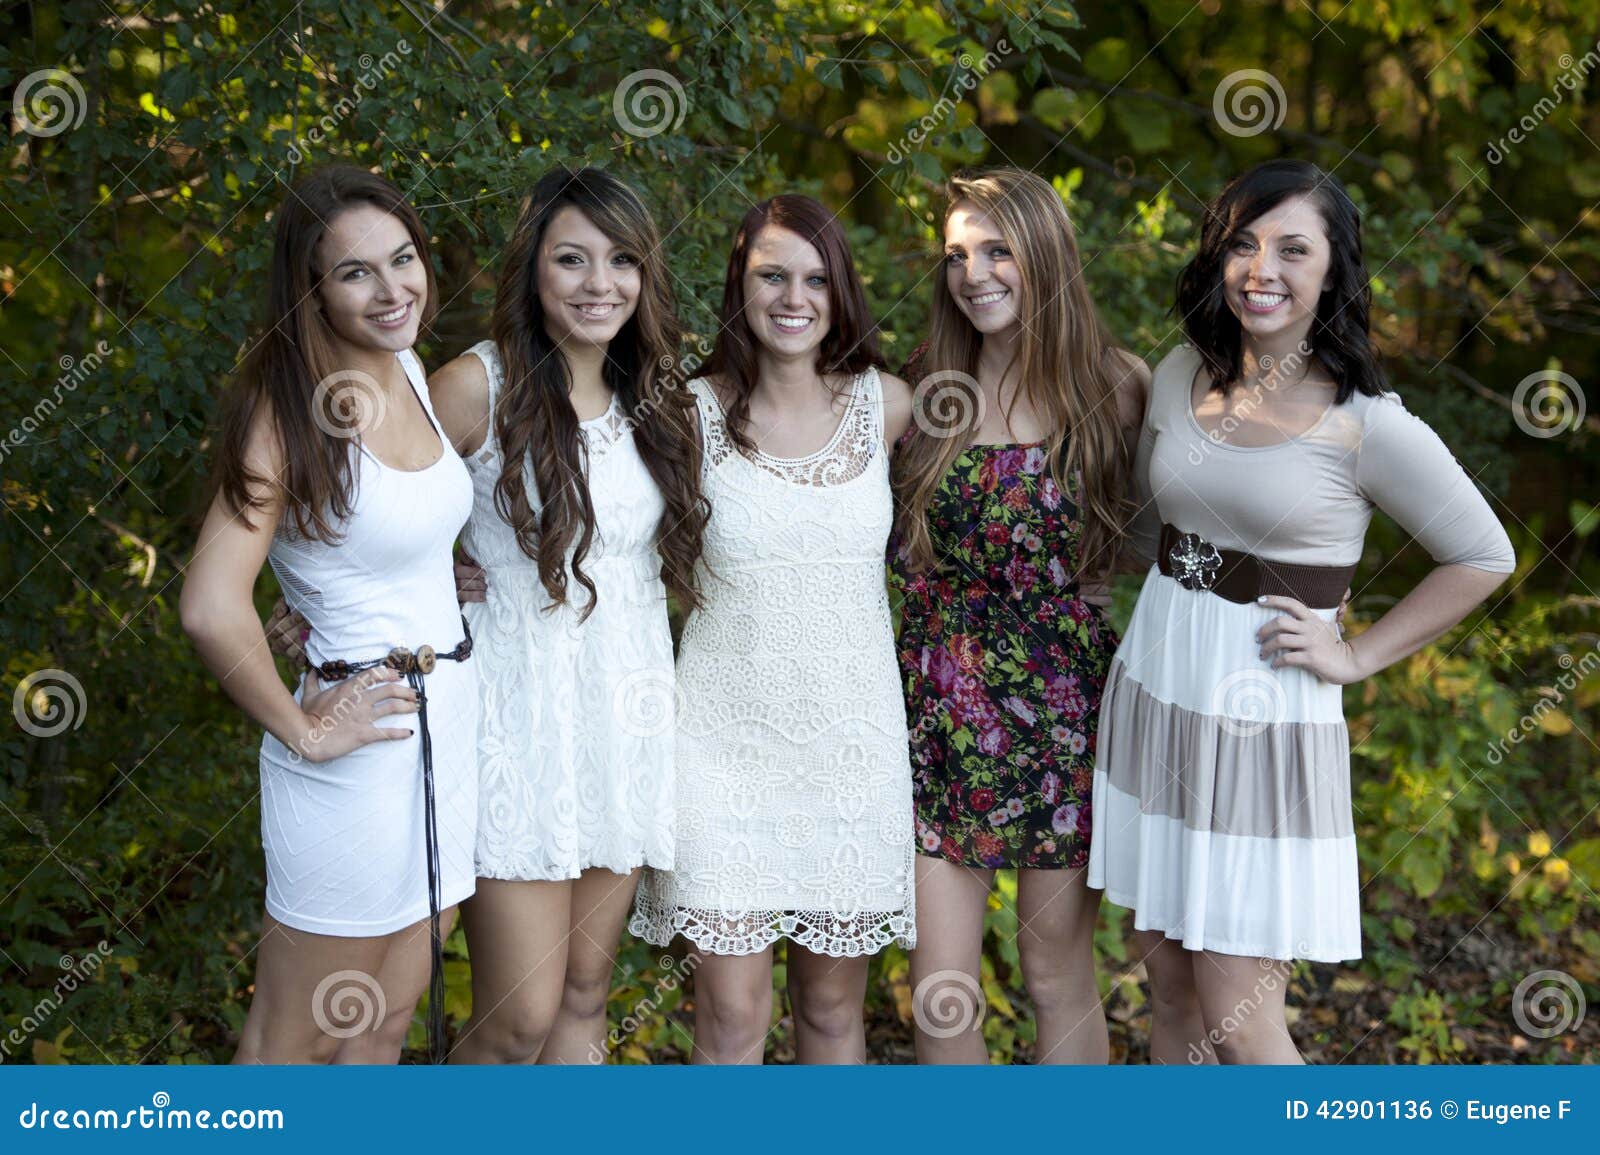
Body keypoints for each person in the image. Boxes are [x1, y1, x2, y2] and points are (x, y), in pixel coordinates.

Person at [1090, 159, 1515, 1064]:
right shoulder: (1176, 373)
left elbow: (1484, 555)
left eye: (1293, 247)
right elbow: (1148, 525)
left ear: (1335, 270)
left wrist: (1356, 654)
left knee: (1236, 1013)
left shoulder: (1368, 424)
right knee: (1166, 982)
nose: (1262, 268)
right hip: (1160, 689)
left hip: (1260, 720)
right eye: (1244, 243)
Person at [182, 166, 477, 1064]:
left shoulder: (414, 370)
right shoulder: (283, 415)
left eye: (405, 259)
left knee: (379, 1026)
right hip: (353, 754)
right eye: (356, 273)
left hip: (446, 731)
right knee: (292, 1042)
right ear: (310, 287)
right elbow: (207, 604)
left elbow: (381, 530)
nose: (393, 290)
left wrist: (440, 567)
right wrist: (304, 732)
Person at [629, 194, 917, 1064]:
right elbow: (601, 529)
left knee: (833, 1016)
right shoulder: (684, 413)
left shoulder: (892, 405)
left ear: (842, 293)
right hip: (721, 749)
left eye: (817, 278)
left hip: (852, 751)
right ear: (739, 285)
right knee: (730, 1017)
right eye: (773, 276)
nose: (796, 297)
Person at [889, 167, 1148, 1064]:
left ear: (1046, 254)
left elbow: (1190, 525)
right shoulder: (925, 387)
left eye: (998, 250)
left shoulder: (1116, 389)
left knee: (1054, 970)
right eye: (958, 254)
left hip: (1065, 712)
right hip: (938, 705)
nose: (976, 273)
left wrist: (1315, 583)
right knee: (942, 988)